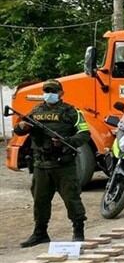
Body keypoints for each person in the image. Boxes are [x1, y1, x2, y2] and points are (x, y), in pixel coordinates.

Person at [14, 79, 91, 246]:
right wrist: (22, 127)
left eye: (53, 91)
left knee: (72, 199)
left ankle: (78, 231)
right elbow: (18, 130)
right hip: (41, 165)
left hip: (64, 165)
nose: (49, 93)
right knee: (40, 201)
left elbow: (85, 134)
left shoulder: (71, 112)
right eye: (47, 90)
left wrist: (66, 141)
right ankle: (40, 233)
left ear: (61, 93)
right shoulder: (35, 111)